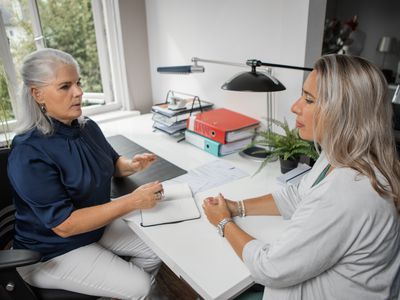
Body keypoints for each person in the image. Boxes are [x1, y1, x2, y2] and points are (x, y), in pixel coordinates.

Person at [203, 54, 400, 300]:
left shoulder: (347, 193)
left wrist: (223, 223)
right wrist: (236, 207)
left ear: (344, 111)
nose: (295, 106)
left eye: (308, 99)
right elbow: (298, 195)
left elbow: (270, 268)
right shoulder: (338, 154)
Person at [7, 48, 164, 299]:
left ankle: (115, 293)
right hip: (51, 250)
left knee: (159, 250)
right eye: (65, 86)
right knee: (141, 287)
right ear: (37, 94)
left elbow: (111, 163)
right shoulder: (28, 152)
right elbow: (65, 225)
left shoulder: (86, 127)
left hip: (95, 227)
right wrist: (133, 201)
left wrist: (130, 165)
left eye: (78, 83)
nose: (79, 92)